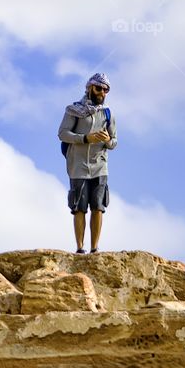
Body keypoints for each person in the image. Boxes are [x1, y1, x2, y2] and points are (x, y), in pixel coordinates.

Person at [57, 72, 117, 253]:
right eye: (99, 88)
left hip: (99, 165)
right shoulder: (73, 110)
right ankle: (80, 248)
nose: (102, 93)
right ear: (90, 88)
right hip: (78, 165)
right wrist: (85, 138)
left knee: (98, 205)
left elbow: (114, 142)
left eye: (106, 90)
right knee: (79, 206)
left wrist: (106, 140)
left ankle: (95, 248)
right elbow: (62, 133)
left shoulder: (107, 113)